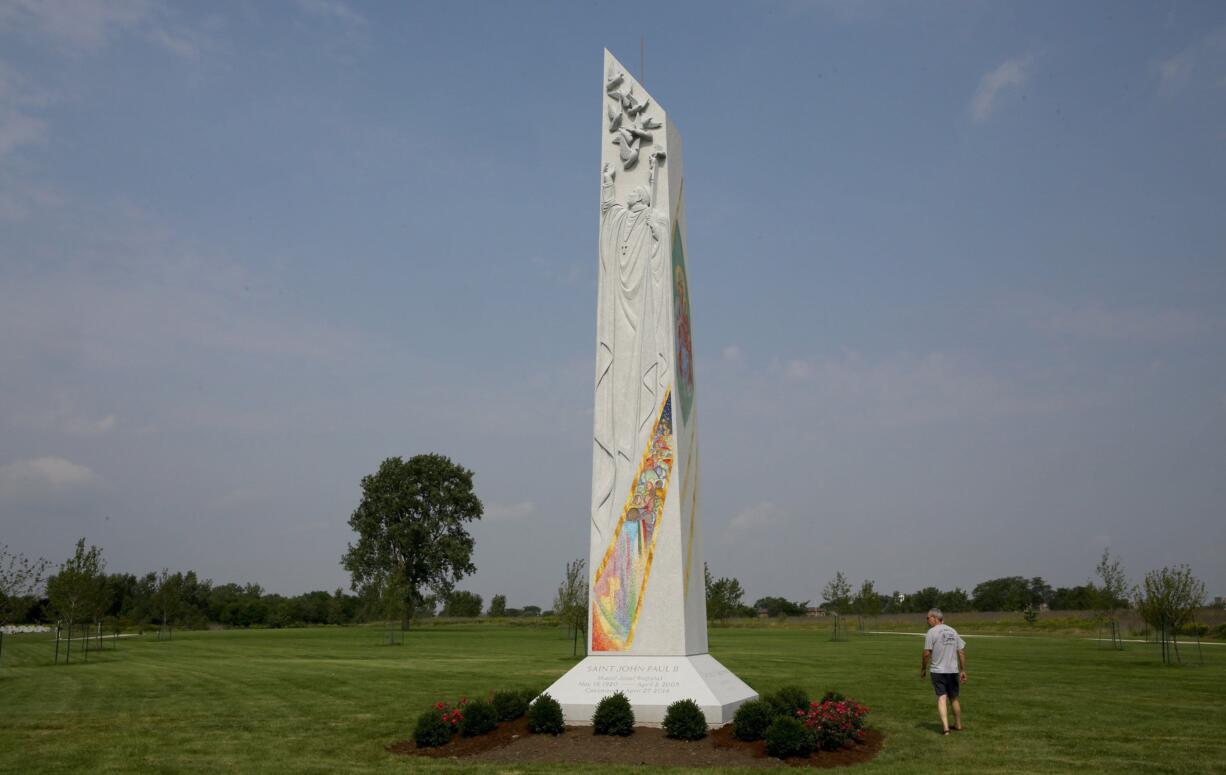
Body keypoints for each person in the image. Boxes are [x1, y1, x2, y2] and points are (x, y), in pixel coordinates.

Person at [920, 608, 967, 736]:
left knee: (942, 698)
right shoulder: (953, 631)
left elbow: (926, 653)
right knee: (954, 698)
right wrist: (962, 670)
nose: (927, 620)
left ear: (935, 618)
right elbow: (961, 651)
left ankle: (946, 729)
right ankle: (958, 725)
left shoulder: (931, 632)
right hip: (953, 670)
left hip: (938, 671)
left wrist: (923, 668)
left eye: (928, 617)